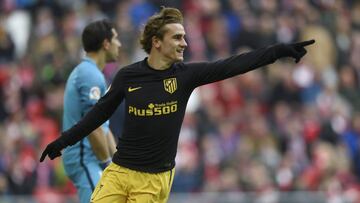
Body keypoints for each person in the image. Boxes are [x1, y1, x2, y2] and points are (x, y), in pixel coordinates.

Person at [40, 7, 315, 203]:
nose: (184, 43)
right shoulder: (128, 75)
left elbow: (235, 65)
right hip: (119, 171)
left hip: (153, 179)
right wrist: (62, 142)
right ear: (156, 42)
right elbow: (96, 117)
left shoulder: (186, 76)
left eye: (184, 36)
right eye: (177, 37)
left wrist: (278, 51)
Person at [59, 20, 120, 203]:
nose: (120, 44)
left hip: (90, 158)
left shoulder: (92, 73)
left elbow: (104, 128)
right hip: (85, 157)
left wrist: (119, 166)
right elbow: (92, 128)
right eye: (116, 38)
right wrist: (108, 166)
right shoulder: (90, 75)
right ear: (106, 44)